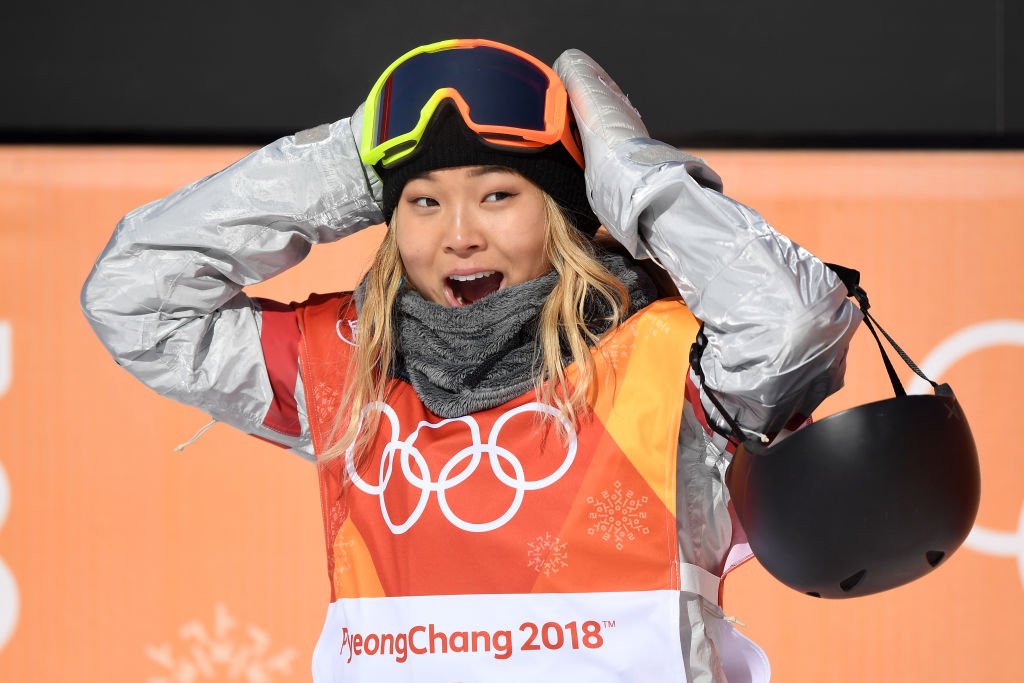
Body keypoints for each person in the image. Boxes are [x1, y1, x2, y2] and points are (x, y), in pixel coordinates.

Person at [82, 39, 860, 682]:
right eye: (422, 201)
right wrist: (345, 166)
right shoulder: (350, 365)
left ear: (565, 214)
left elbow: (795, 325)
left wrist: (632, 175)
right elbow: (132, 294)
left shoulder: (668, 362)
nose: (458, 235)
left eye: (497, 196)